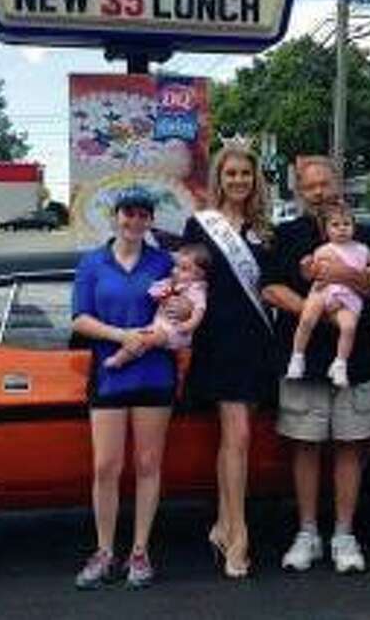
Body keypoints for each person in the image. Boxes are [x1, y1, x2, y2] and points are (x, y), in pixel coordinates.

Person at [263, 156, 370, 575]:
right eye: (310, 186)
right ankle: (307, 533)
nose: (319, 192)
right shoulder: (288, 234)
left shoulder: (366, 234)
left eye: (325, 184)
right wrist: (315, 314)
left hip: (354, 362)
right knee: (305, 445)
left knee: (351, 446)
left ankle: (344, 534)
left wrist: (345, 275)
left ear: (339, 184)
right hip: (301, 360)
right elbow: (271, 288)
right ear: (299, 190)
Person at [70, 187, 178, 591]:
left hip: (155, 375)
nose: (134, 222)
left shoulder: (164, 263)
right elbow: (80, 319)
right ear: (115, 217)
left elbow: (180, 316)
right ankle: (104, 551)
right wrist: (123, 336)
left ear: (150, 221)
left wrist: (154, 335)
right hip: (109, 376)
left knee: (148, 465)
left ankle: (140, 551)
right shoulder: (92, 263)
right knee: (106, 467)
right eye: (127, 214)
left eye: (142, 215)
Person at [181, 141, 276, 579]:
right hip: (219, 343)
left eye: (245, 173)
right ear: (218, 178)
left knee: (233, 441)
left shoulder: (265, 229)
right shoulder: (200, 226)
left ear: (255, 179)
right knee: (237, 437)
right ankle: (240, 536)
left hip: (257, 344)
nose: (238, 180)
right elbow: (187, 280)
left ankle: (221, 524)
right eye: (230, 173)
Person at [285, 202, 370, 388]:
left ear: (354, 227)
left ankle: (340, 363)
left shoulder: (362, 249)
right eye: (336, 225)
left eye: (346, 224)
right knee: (307, 319)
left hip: (348, 296)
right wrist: (307, 265)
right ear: (327, 230)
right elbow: (310, 273)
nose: (341, 229)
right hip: (323, 290)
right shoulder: (324, 249)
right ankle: (297, 357)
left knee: (349, 327)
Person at [104, 244, 209, 369]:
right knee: (140, 338)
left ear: (198, 274)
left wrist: (187, 326)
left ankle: (119, 359)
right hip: (160, 325)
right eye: (176, 266)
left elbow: (199, 313)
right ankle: (123, 357)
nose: (175, 271)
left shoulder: (196, 290)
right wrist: (162, 292)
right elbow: (153, 293)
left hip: (175, 332)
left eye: (184, 269)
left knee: (144, 339)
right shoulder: (172, 282)